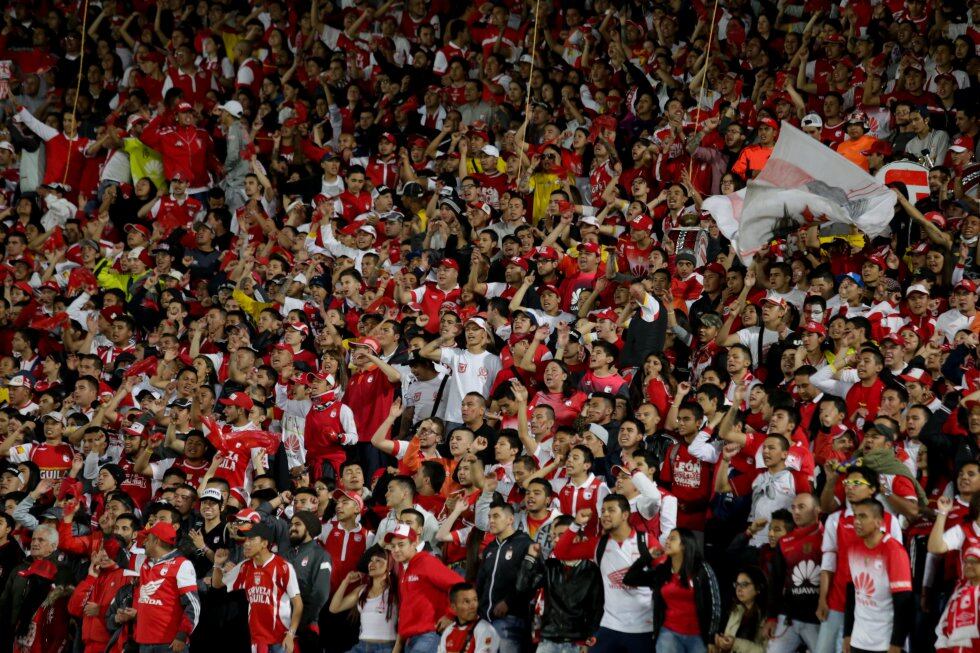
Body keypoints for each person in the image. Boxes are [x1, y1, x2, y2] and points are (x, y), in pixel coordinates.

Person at [623, 528, 723, 653]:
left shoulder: (702, 569)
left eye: (673, 538)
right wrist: (647, 557)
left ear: (685, 545)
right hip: (668, 634)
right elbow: (629, 579)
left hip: (698, 636)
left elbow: (715, 604)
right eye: (667, 538)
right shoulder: (662, 571)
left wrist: (711, 638)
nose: (667, 541)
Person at [212, 521, 303, 653]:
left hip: (281, 638)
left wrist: (291, 634)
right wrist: (217, 565)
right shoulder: (245, 567)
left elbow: (298, 604)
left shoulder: (283, 567)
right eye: (246, 539)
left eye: (251, 539)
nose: (246, 543)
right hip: (258, 639)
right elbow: (217, 583)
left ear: (264, 543)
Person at [841, 499, 913, 653]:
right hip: (858, 640)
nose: (857, 522)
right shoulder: (853, 549)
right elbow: (851, 593)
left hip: (885, 643)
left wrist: (896, 644)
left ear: (878, 522)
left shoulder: (894, 551)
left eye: (863, 516)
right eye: (855, 516)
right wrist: (847, 634)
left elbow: (903, 602)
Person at [386, 523, 465, 653]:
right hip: (411, 639)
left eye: (401, 545)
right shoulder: (403, 568)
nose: (395, 550)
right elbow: (407, 609)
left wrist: (451, 615)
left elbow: (460, 585)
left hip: (429, 635)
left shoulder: (426, 561)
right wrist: (399, 644)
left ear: (414, 543)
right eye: (392, 546)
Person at [131, 522, 200, 653]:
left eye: (148, 538)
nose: (144, 542)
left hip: (170, 643)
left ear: (156, 540)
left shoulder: (182, 564)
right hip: (144, 642)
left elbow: (193, 604)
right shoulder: (145, 564)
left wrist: (182, 635)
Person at [328, 545, 399, 653]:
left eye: (378, 560)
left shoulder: (395, 591)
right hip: (360, 647)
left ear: (389, 565)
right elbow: (334, 608)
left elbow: (404, 622)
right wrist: (345, 582)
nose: (372, 564)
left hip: (385, 648)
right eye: (371, 560)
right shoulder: (362, 590)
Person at [438, 583, 499, 653]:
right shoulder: (448, 631)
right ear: (453, 607)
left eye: (475, 600)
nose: (473, 606)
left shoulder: (486, 630)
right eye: (466, 601)